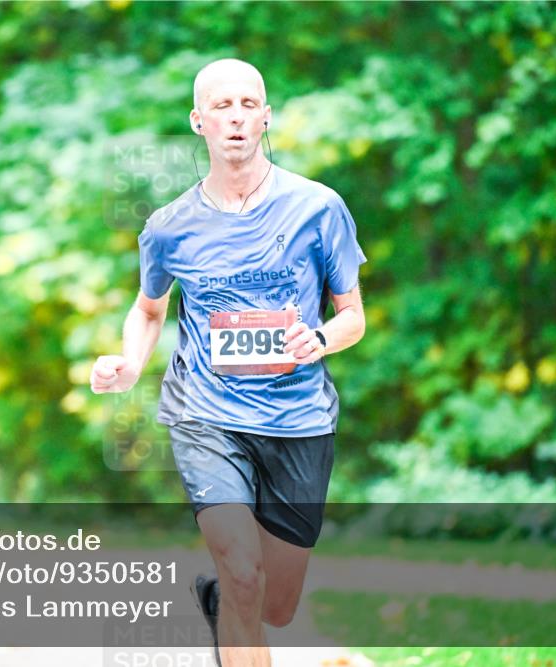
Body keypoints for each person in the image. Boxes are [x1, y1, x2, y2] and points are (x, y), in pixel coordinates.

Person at [90, 59, 366, 666]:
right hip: (206, 414)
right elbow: (149, 310)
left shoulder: (318, 208)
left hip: (298, 421)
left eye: (248, 105)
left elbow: (353, 316)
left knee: (276, 604)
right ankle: (231, 591)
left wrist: (318, 340)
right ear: (198, 122)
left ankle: (221, 602)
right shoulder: (168, 227)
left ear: (265, 118)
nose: (236, 117)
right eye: (222, 106)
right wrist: (131, 364)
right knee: (246, 574)